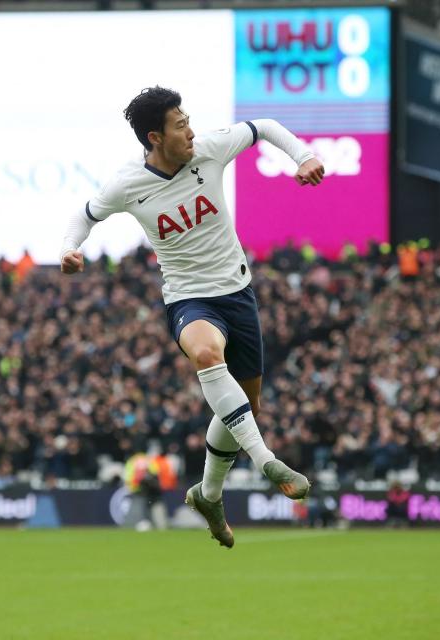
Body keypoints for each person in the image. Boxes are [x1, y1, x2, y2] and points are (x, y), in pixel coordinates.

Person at [60, 86, 324, 548]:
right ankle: (267, 461)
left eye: (188, 121)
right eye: (180, 125)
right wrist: (70, 249)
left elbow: (265, 128)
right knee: (206, 353)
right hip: (188, 299)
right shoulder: (127, 184)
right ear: (154, 137)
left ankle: (208, 494)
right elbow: (84, 216)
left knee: (244, 404)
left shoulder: (210, 149)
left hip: (237, 294)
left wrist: (303, 157)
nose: (190, 131)